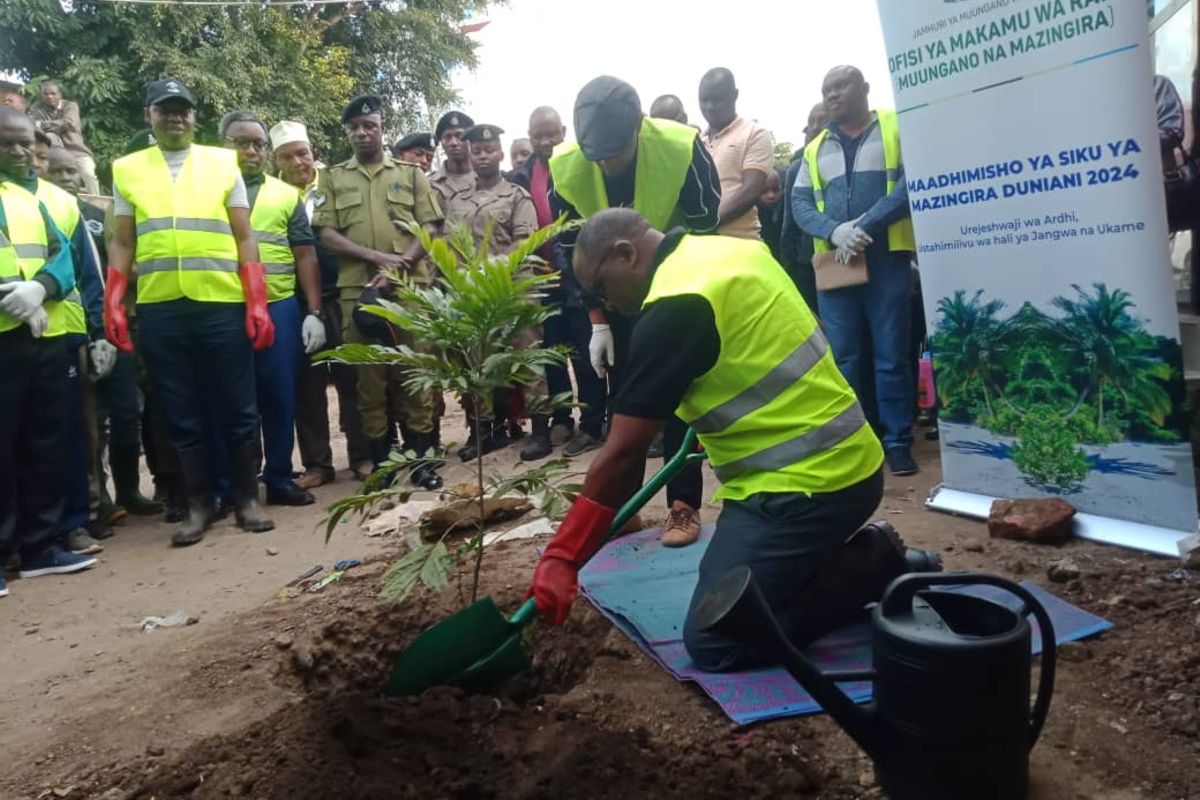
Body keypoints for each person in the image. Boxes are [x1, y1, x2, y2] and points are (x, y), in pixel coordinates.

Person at [525, 208, 924, 672]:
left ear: (625, 253)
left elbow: (623, 455)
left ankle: (874, 566)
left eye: (602, 287)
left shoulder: (677, 304)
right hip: (847, 462)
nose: (606, 303)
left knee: (716, 639)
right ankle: (820, 564)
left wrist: (563, 557)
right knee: (733, 581)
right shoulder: (731, 251)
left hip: (804, 489)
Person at [549, 75, 721, 548]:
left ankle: (683, 506)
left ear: (639, 128)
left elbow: (705, 222)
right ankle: (623, 508)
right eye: (596, 155)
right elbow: (571, 249)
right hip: (615, 294)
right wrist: (598, 320)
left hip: (680, 288)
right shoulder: (566, 167)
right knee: (626, 401)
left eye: (615, 152)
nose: (606, 162)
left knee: (683, 399)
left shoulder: (682, 148)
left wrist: (675, 284)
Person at [105, 78, 276, 546]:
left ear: (194, 117)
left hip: (221, 301)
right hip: (162, 307)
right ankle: (198, 504)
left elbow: (245, 236)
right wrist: (114, 299)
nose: (175, 117)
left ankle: (246, 499)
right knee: (179, 410)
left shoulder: (223, 163)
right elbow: (122, 240)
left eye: (183, 110)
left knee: (239, 407)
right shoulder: (126, 169)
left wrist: (256, 299)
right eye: (165, 110)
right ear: (150, 115)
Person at [312, 95, 444, 491]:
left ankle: (422, 461)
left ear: (381, 128)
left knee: (415, 373)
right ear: (348, 132)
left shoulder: (411, 174)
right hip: (360, 293)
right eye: (354, 127)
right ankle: (385, 463)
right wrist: (374, 258)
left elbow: (432, 226)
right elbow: (327, 233)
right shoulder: (332, 178)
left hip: (409, 291)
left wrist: (399, 265)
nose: (362, 132)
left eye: (369, 125)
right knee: (369, 379)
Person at [793, 66, 918, 476]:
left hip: (885, 258)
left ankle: (897, 441)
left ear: (864, 89)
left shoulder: (894, 127)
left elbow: (910, 182)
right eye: (827, 89)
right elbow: (800, 206)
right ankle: (857, 441)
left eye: (841, 86)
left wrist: (866, 226)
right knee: (845, 357)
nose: (833, 95)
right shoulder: (815, 149)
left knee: (891, 354)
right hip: (836, 263)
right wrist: (835, 232)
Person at [0, 106, 98, 595]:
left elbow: (71, 256)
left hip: (47, 335)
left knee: (45, 443)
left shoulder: (57, 200)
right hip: (3, 337)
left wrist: (40, 288)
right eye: (6, 142)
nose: (17, 151)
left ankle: (40, 547)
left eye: (23, 142)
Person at [44, 146, 161, 530]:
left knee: (127, 412)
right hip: (69, 331)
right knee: (90, 421)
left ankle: (128, 489)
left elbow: (109, 271)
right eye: (57, 170)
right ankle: (100, 499)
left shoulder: (96, 217)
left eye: (72, 172)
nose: (65, 178)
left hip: (116, 324)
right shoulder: (33, 214)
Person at [219, 110, 326, 506]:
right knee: (233, 399)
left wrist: (313, 312)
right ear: (224, 145)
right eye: (241, 142)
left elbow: (305, 255)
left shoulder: (285, 196)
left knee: (280, 395)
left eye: (258, 144)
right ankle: (238, 483)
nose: (251, 150)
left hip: (280, 306)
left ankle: (279, 476)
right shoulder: (209, 191)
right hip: (226, 305)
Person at [272, 119, 373, 488]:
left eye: (303, 153)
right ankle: (318, 464)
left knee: (352, 377)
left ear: (313, 152)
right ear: (277, 162)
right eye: (287, 157)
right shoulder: (272, 195)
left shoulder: (335, 184)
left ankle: (361, 456)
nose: (298, 162)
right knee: (307, 385)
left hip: (343, 292)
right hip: (295, 301)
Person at [29, 143, 112, 556]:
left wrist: (98, 333)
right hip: (14, 340)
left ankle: (78, 520)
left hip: (67, 337)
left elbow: (90, 275)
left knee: (79, 434)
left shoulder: (64, 206)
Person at [510, 105, 605, 452]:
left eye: (551, 133)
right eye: (538, 135)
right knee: (551, 352)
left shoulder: (581, 166)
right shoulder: (520, 176)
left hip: (579, 276)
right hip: (542, 280)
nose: (545, 140)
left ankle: (593, 423)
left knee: (584, 352)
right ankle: (562, 419)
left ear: (564, 131)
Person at [450, 123, 546, 460]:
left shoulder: (517, 196)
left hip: (514, 288)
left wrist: (487, 271)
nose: (482, 156)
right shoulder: (458, 201)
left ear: (500, 153)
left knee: (529, 359)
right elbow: (451, 247)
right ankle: (483, 432)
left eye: (488, 150)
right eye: (477, 151)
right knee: (479, 363)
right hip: (475, 293)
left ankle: (541, 430)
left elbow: (523, 242)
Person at [698, 68, 775, 240]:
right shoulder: (696, 141)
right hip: (698, 243)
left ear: (735, 95)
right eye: (704, 100)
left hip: (740, 241)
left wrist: (706, 223)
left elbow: (750, 191)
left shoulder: (755, 134)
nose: (709, 107)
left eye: (717, 100)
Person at [779, 102, 829, 310]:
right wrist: (789, 266)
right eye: (811, 122)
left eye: (822, 120)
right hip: (808, 266)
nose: (815, 127)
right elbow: (788, 223)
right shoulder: (797, 169)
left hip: (848, 258)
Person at [29, 80, 99, 194]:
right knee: (50, 137)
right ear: (41, 95)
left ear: (60, 94)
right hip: (54, 154)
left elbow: (69, 122)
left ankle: (97, 203)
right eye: (46, 94)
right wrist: (59, 125)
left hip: (77, 150)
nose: (49, 96)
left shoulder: (70, 106)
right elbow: (33, 126)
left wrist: (42, 124)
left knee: (89, 174)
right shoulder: (36, 108)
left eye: (53, 93)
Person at [430, 110, 475, 211]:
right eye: (447, 137)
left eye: (459, 136)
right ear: (441, 143)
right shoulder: (431, 185)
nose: (453, 143)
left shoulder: (488, 179)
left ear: (471, 140)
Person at [757, 167, 786, 263]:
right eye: (764, 191)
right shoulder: (751, 220)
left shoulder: (787, 212)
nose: (771, 195)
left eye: (776, 190)